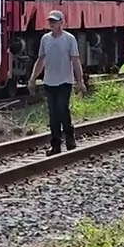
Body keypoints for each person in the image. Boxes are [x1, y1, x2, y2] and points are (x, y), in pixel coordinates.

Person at [28, 10, 85, 155]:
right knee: (53, 114)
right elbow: (41, 60)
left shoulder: (69, 39)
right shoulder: (45, 39)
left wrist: (80, 81)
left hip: (65, 81)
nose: (52, 24)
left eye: (55, 21)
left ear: (61, 22)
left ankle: (69, 136)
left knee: (62, 109)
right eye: (50, 21)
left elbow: (75, 60)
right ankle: (55, 145)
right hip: (49, 82)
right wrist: (33, 78)